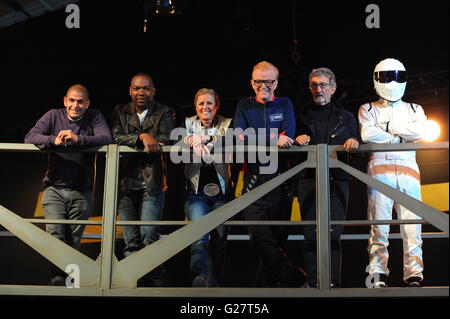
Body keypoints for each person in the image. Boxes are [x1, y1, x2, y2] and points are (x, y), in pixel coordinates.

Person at [24, 84, 112, 286]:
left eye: (80, 101)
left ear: (87, 104)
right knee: (55, 236)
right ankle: (57, 279)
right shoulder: (54, 115)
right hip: (54, 188)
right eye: (71, 100)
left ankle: (70, 282)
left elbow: (106, 138)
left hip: (82, 190)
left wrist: (77, 139)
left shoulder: (94, 116)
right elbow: (30, 136)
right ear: (65, 101)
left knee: (73, 241)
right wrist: (53, 140)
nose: (75, 105)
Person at [234, 61, 307, 287]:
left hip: (281, 181)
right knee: (261, 240)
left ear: (276, 83)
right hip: (252, 181)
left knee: (277, 243)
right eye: (258, 81)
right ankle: (296, 279)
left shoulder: (285, 103)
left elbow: (289, 135)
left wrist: (262, 139)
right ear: (251, 82)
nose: (263, 86)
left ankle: (265, 294)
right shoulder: (244, 105)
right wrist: (273, 139)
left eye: (268, 81)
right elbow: (239, 137)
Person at [359, 58, 428, 288]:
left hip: (408, 168)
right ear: (377, 79)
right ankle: (378, 273)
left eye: (397, 77)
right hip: (380, 167)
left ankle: (414, 274)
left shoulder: (414, 109)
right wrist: (400, 137)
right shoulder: (367, 108)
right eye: (387, 77)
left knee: (412, 225)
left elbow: (421, 131)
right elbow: (368, 134)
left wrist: (388, 129)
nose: (392, 82)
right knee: (379, 225)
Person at [294, 68, 359, 288]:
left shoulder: (347, 116)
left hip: (338, 179)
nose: (318, 89)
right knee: (310, 232)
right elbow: (288, 138)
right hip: (308, 179)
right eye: (314, 85)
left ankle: (332, 283)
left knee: (334, 232)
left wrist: (353, 141)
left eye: (322, 85)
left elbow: (356, 138)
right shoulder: (300, 115)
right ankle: (313, 282)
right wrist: (296, 138)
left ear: (333, 88)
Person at [110, 72, 176, 287]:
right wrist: (142, 137)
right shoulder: (119, 111)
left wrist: (151, 138)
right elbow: (115, 137)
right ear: (130, 90)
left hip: (153, 183)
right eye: (136, 88)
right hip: (124, 184)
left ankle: (156, 285)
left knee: (149, 236)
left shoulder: (165, 111)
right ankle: (132, 284)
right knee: (131, 241)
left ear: (153, 91)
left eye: (146, 88)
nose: (141, 92)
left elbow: (166, 139)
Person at [182, 88, 233, 287]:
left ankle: (216, 285)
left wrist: (207, 139)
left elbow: (231, 140)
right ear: (196, 107)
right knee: (199, 235)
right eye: (201, 103)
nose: (205, 107)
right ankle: (200, 277)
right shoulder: (188, 123)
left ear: (217, 106)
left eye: (209, 103)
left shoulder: (227, 123)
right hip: (195, 194)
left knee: (220, 242)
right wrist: (188, 140)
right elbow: (176, 139)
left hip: (221, 194)